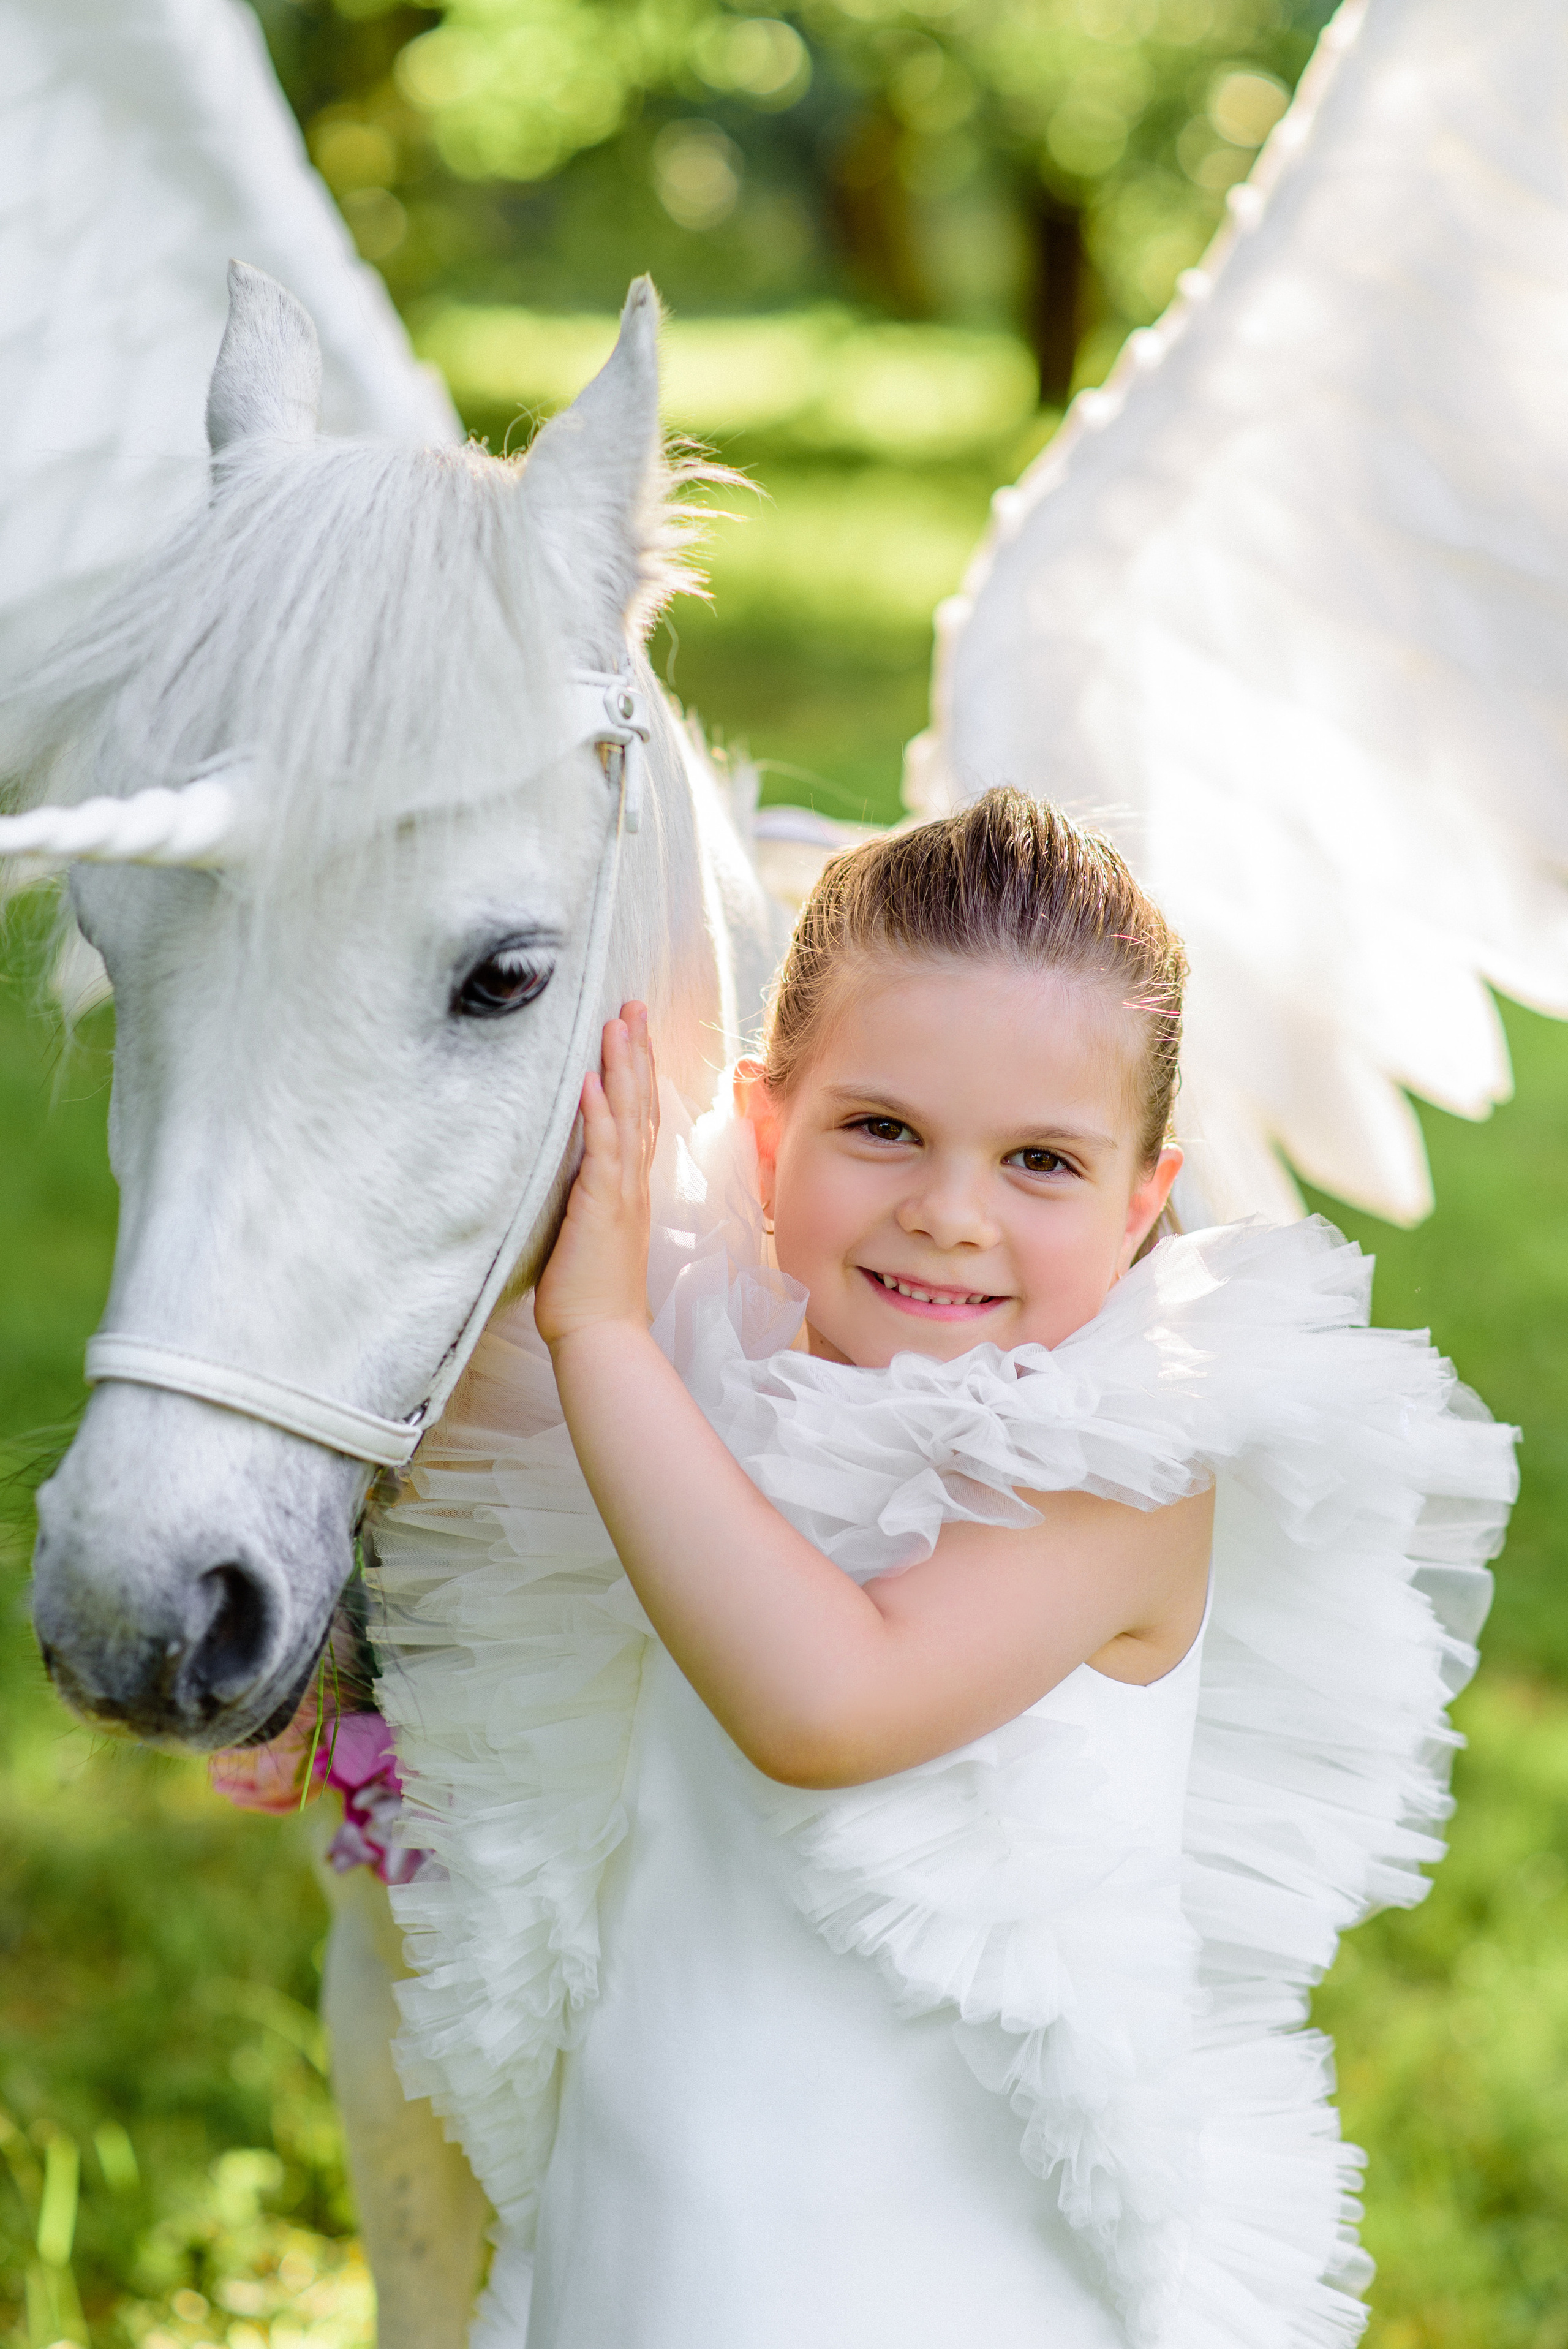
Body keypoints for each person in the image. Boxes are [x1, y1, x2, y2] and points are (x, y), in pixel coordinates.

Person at [379, 789, 1516, 2349]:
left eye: (1040, 1161)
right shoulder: (713, 1358)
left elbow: (828, 1706)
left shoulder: (1121, 1472)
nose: (949, 1212)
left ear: (1141, 1205)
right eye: (881, 1129)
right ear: (766, 1129)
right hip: (656, 2214)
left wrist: (598, 1334)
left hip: (933, 2278)